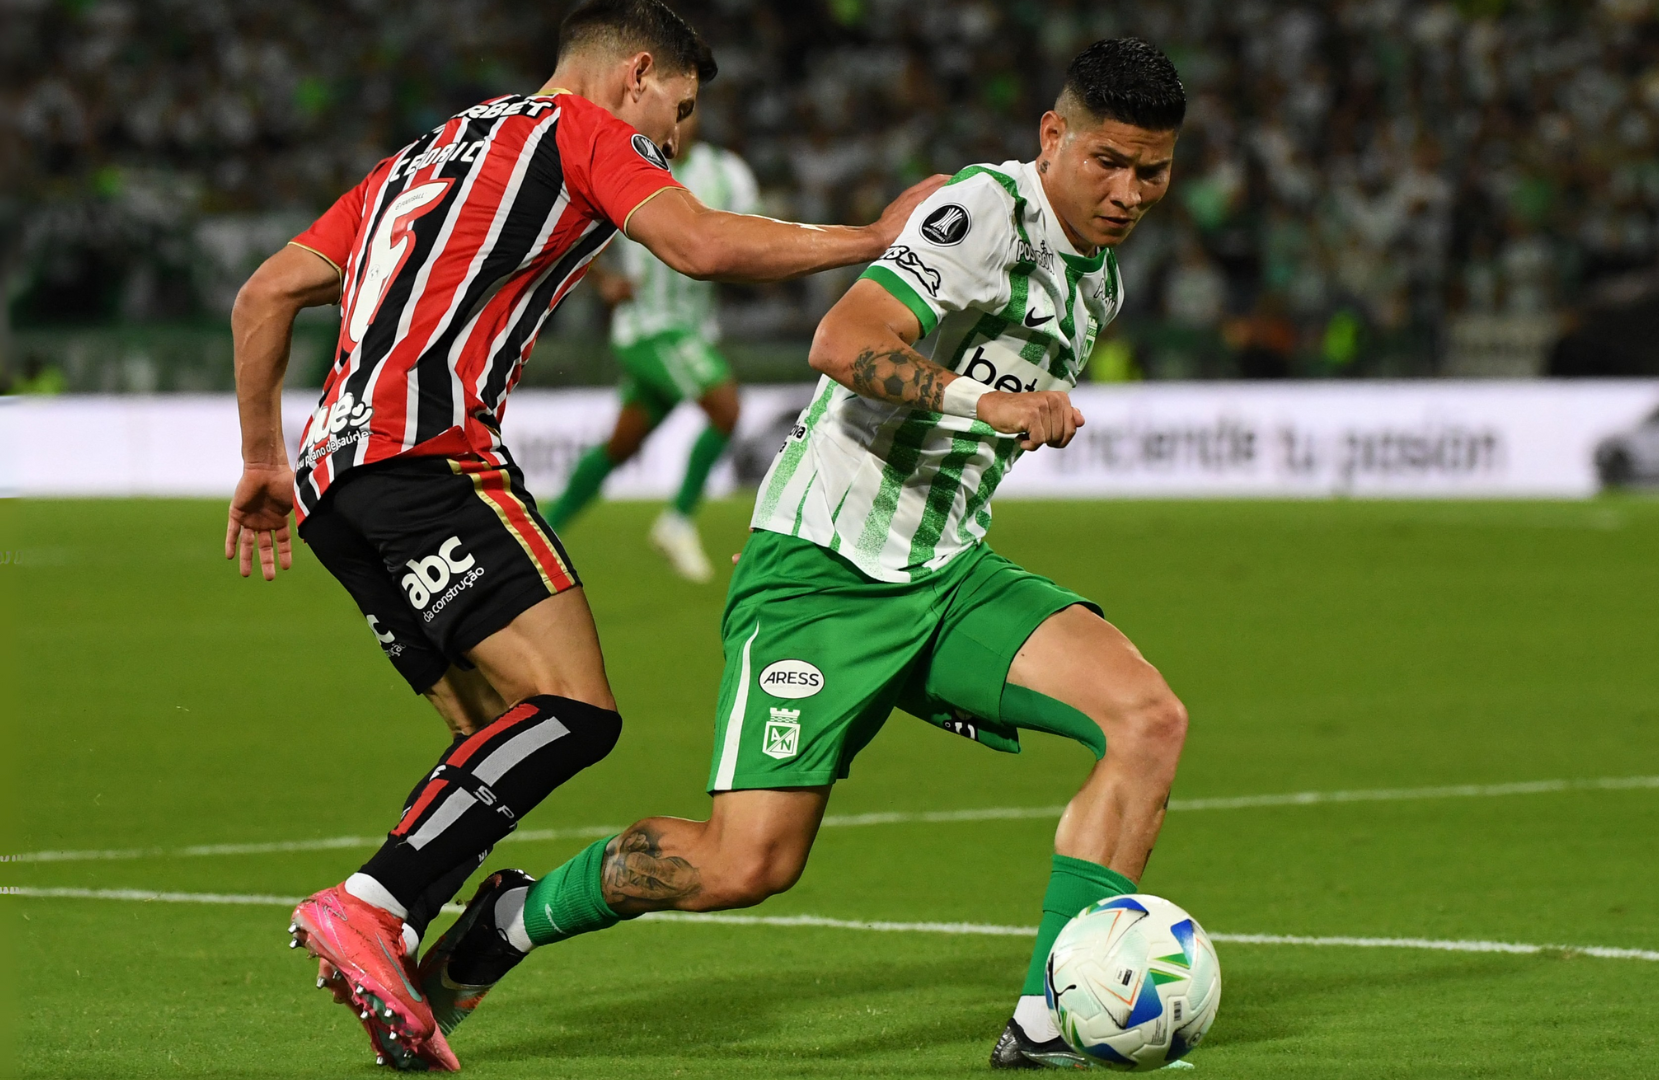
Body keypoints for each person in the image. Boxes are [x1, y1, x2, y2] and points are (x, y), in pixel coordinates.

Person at [415, 37, 1191, 1072]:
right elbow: (842, 340)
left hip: (945, 572)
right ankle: (511, 921)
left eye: (1153, 172)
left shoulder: (1098, 281)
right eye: (1110, 162)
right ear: (1053, 136)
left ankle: (1048, 1021)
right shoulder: (983, 215)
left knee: (1146, 720)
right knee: (746, 864)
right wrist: (987, 403)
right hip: (821, 573)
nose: (1130, 193)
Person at [222, 0, 943, 1070]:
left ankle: (428, 947)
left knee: (495, 730)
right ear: (634, 74)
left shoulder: (423, 156)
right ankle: (372, 906)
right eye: (679, 110)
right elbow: (698, 244)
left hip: (334, 484)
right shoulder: (579, 131)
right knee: (573, 709)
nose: (677, 140)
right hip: (430, 456)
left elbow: (265, 293)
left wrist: (263, 460)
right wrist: (876, 239)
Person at [546, 105, 760, 581]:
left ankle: (545, 531)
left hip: (694, 328)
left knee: (620, 446)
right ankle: (677, 521)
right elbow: (572, 225)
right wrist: (602, 278)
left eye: (691, 109)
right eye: (675, 110)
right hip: (649, 326)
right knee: (726, 408)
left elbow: (749, 234)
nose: (682, 120)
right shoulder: (627, 164)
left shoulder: (727, 173)